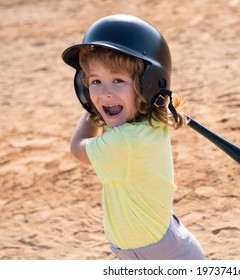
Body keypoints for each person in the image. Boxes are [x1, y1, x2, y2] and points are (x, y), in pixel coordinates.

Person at [62, 14, 205, 260]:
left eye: (118, 80)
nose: (104, 92)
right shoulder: (146, 122)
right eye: (95, 81)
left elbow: (77, 148)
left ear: (147, 85)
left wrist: (89, 108)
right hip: (153, 252)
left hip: (164, 260)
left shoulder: (125, 141)